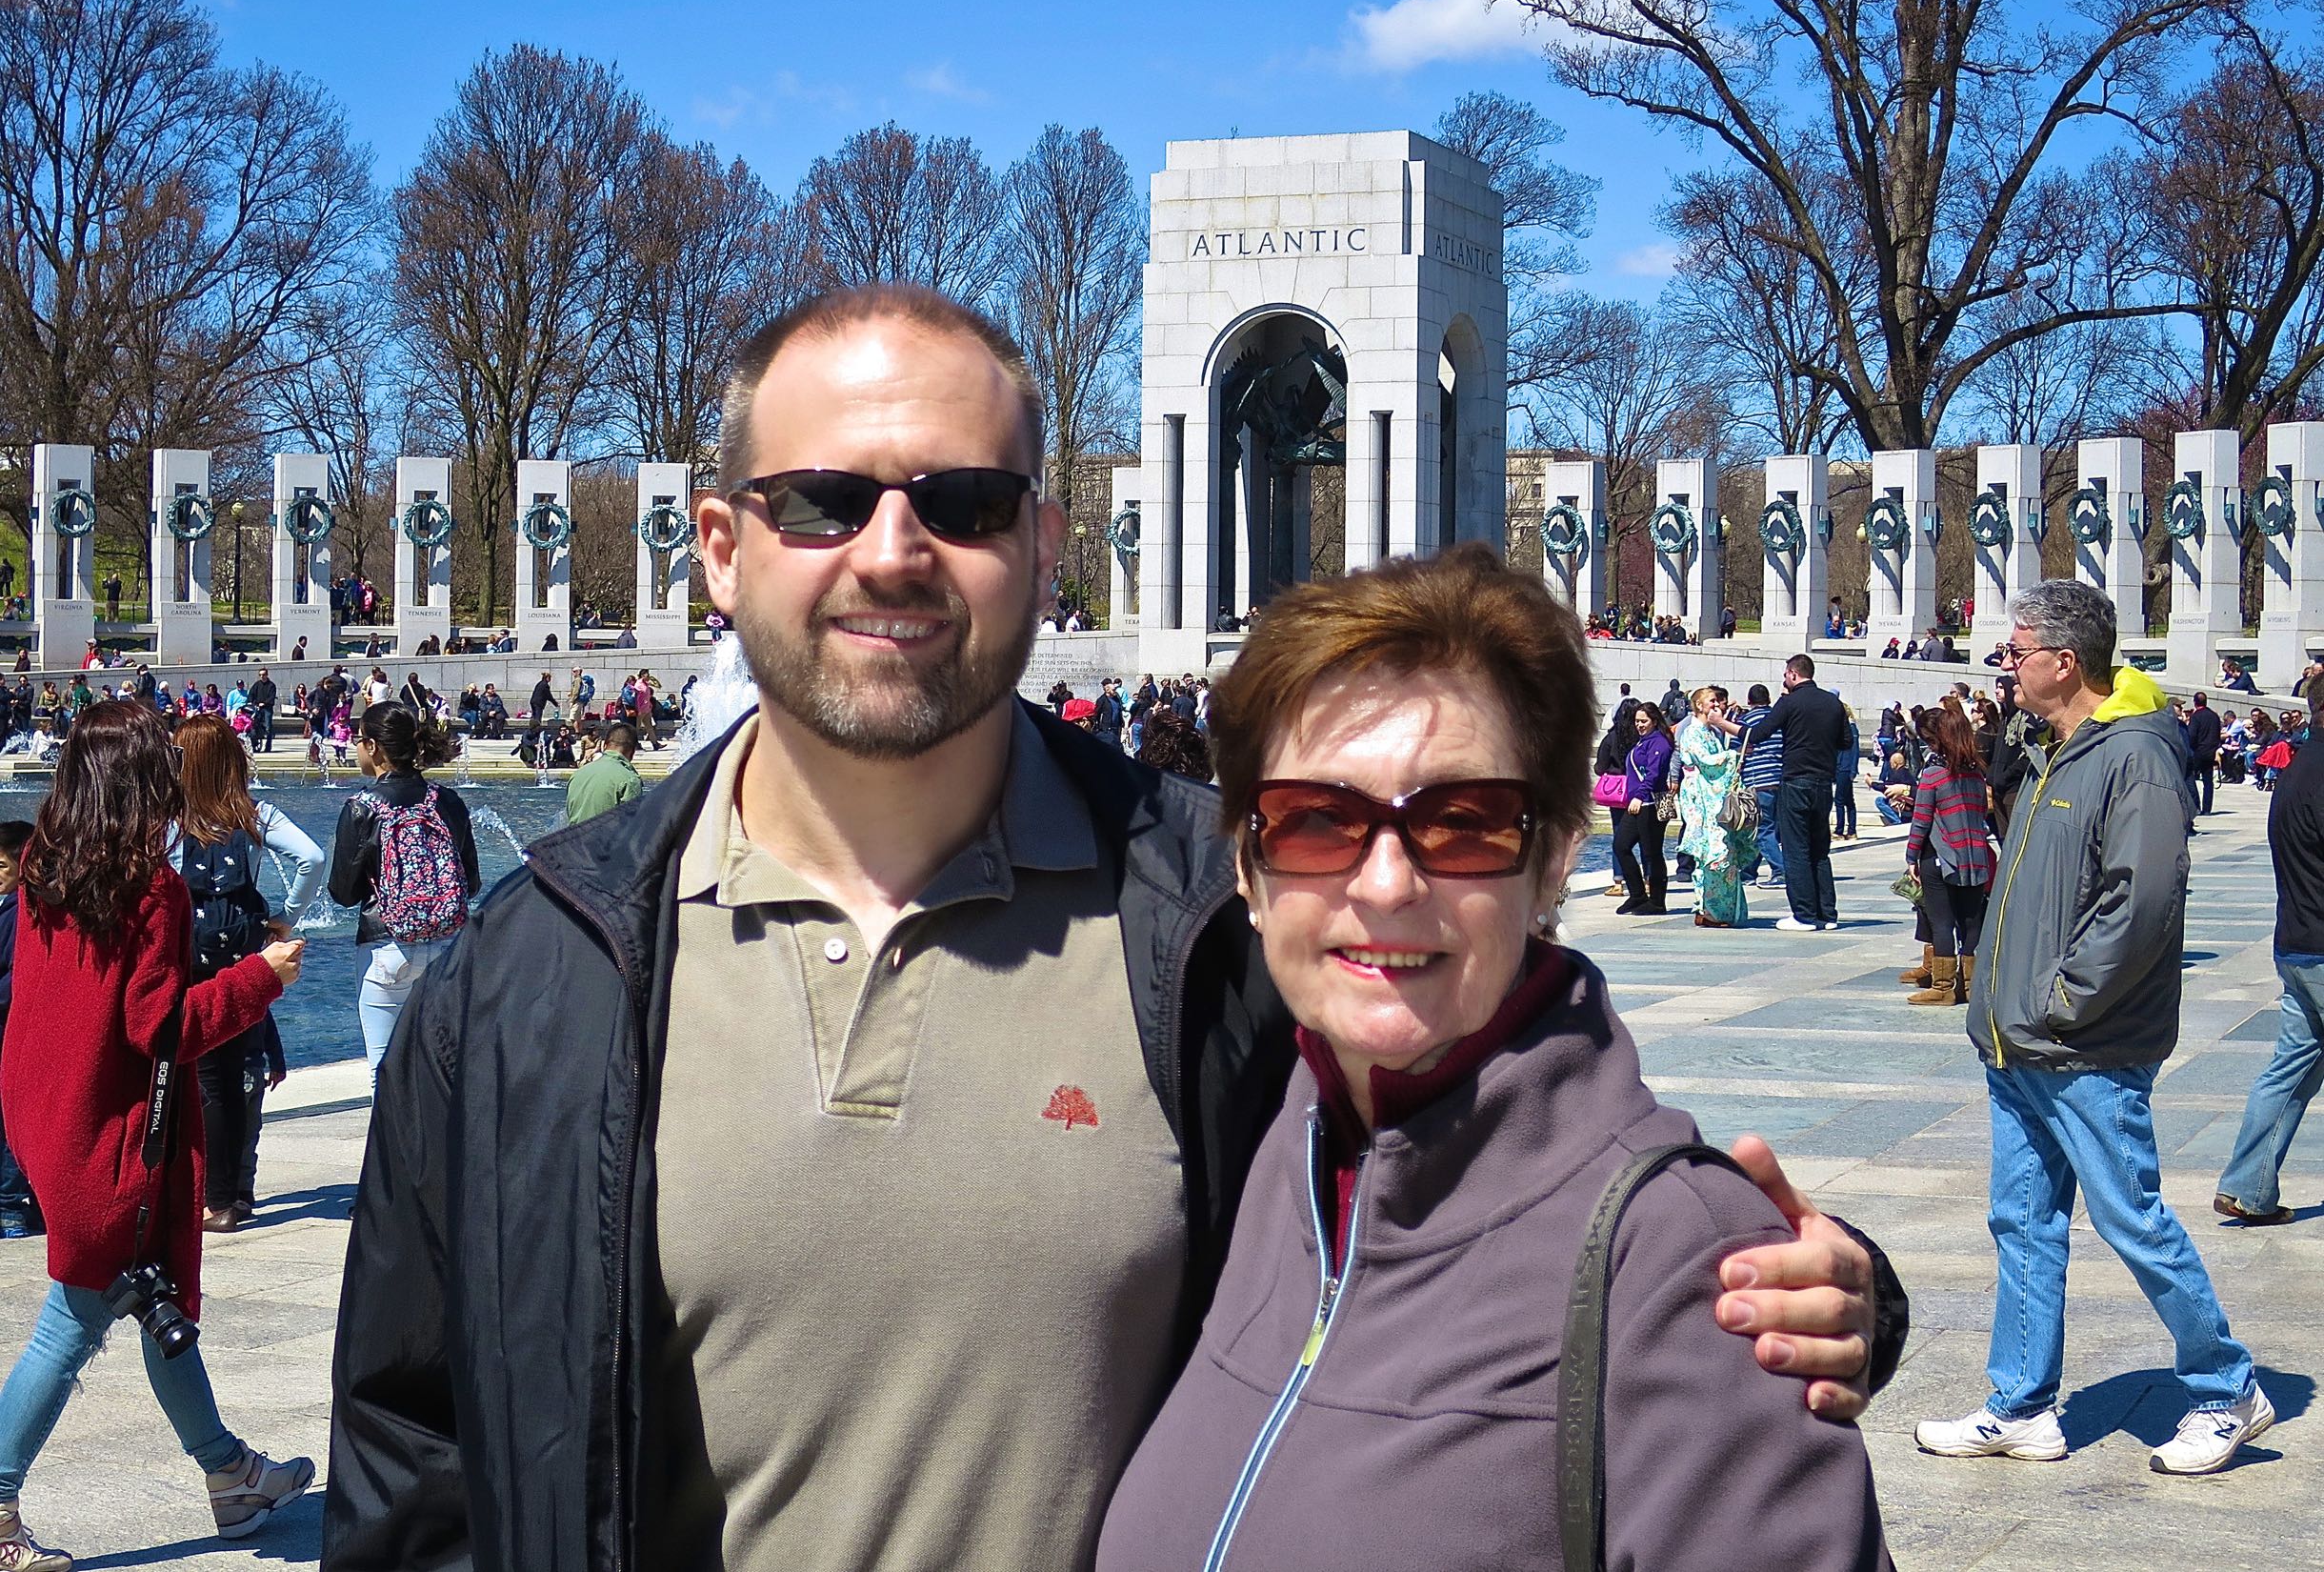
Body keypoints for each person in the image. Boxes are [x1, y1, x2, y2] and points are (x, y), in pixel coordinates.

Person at [324, 283, 1898, 1570]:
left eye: (963, 500)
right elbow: (414, 1454)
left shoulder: (1219, 918)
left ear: (1045, 543)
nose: (893, 549)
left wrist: (1794, 1295)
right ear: (722, 551)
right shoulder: (533, 969)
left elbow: (1481, 1148)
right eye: (822, 500)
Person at [1097, 548, 1892, 1571]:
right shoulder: (1270, 1146)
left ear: (1554, 856)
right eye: (1316, 821)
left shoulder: (1686, 1271)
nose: (1385, 885)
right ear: (1247, 867)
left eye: (1462, 824)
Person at [1921, 580, 2273, 1475]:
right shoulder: (2052, 750)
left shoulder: (2134, 756)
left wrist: (2065, 1001)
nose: (2006, 666)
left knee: (2131, 1220)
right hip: (2019, 1042)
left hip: (2084, 1045)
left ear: (2064, 661)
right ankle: (2022, 1403)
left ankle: (2228, 1388)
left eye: (2016, 651)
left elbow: (2140, 902)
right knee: (2023, 1222)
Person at [0, 702, 312, 1565]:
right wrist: (260, 978)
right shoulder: (148, 888)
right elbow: (161, 1027)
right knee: (72, 1324)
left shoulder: (43, 869)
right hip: (110, 1141)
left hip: (47, 1117)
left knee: (153, 1300)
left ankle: (230, 1474)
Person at [172, 715, 326, 1232]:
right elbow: (312, 857)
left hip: (192, 959)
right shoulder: (256, 814)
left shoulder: (171, 819)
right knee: (244, 1072)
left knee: (206, 1079)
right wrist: (286, 917)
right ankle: (240, 1193)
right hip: (245, 955)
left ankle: (214, 1200)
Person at [2214, 670, 2324, 1224]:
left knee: (2291, 1070)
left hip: (2298, 942)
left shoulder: (2298, 768)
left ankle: (2248, 1188)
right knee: (2290, 1070)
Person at [327, 701, 481, 1083]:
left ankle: (391, 1128)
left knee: (384, 1074)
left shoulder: (361, 808)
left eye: (360, 740)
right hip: (447, 947)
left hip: (385, 949)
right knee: (442, 1073)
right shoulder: (447, 800)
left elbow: (343, 894)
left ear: (374, 747)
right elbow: (471, 883)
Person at [1901, 707, 1995, 1009]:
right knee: (1971, 921)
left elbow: (1921, 820)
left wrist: (1911, 856)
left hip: (1940, 857)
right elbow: (1981, 812)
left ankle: (1942, 987)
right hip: (1975, 855)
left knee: (1941, 922)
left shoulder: (1933, 774)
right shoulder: (1976, 773)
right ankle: (1969, 985)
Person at [1760, 655, 1848, 932]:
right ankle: (1827, 914)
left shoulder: (1789, 702)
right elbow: (1846, 741)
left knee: (1796, 849)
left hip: (1796, 780)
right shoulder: (1833, 703)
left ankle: (1804, 915)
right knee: (1820, 850)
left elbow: (1760, 733)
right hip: (1823, 783)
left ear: (1792, 674)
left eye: (1785, 675)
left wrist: (1721, 723)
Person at [1677, 687, 1757, 928]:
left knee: (1719, 851)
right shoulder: (1692, 732)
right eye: (1711, 701)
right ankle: (1710, 909)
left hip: (1712, 796)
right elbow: (1707, 762)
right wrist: (1733, 755)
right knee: (1712, 851)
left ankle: (1711, 909)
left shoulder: (1710, 732)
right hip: (1702, 798)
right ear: (1699, 705)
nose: (1716, 705)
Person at [1596, 699, 1671, 915]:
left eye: (1643, 721)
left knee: (1652, 852)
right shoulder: (1642, 741)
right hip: (1637, 803)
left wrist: (1639, 796)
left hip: (1651, 803)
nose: (1639, 725)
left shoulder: (1659, 743)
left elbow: (1653, 774)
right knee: (1621, 845)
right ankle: (1637, 894)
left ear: (1654, 721)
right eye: (1637, 721)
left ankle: (1657, 902)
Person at [0, 822, 35, 1240]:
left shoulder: (20, 913)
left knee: (9, 1123)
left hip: (10, 1031)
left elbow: (17, 976)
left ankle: (10, 1207)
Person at [1735, 683, 1785, 890]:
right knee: (1766, 827)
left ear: (1749, 701)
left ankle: (1780, 871)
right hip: (1779, 779)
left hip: (1757, 781)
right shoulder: (1779, 720)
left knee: (1761, 829)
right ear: (1769, 700)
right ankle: (1748, 872)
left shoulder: (1745, 721)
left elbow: (1736, 751)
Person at [564, 720, 645, 824]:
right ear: (632, 751)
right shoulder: (630, 780)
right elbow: (631, 824)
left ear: (605, 745)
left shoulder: (578, 774)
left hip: (575, 834)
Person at [2184, 690, 2220, 817]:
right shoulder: (2214, 716)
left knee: (2190, 778)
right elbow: (2217, 734)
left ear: (2195, 702)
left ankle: (2196, 806)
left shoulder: (2196, 716)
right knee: (2208, 781)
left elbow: (2192, 735)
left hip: (2198, 751)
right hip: (2210, 751)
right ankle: (2207, 808)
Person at [1833, 700, 1861, 840]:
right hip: (1842, 767)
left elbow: (1855, 751)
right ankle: (1851, 830)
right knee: (1848, 800)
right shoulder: (1845, 728)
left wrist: (1853, 770)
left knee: (1839, 800)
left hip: (1845, 768)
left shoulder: (1851, 729)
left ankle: (1840, 830)